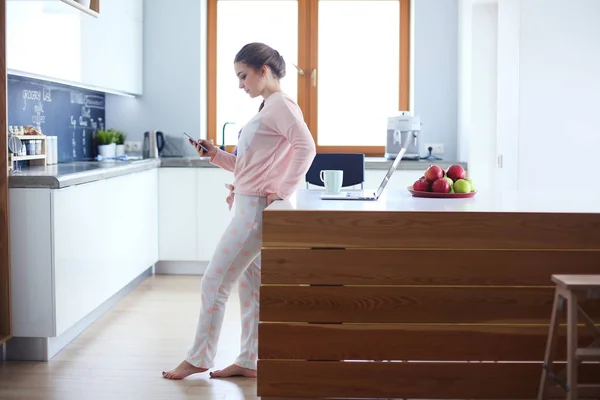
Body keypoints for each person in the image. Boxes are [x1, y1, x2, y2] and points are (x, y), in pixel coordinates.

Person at [162, 42, 317, 380]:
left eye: (243, 75)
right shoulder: (268, 108)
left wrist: (281, 193)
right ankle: (250, 360)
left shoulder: (281, 107)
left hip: (256, 211)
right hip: (250, 206)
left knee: (214, 282)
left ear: (264, 71)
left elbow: (308, 147)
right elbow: (248, 168)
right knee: (251, 287)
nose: (240, 84)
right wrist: (215, 153)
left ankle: (199, 357)